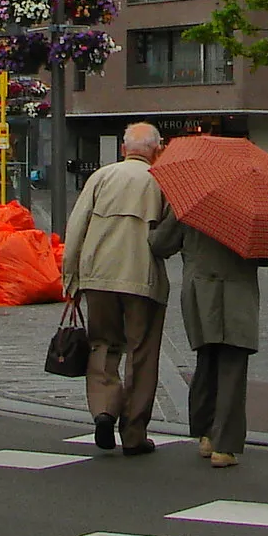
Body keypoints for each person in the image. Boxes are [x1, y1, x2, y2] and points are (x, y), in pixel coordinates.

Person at [59, 123, 170, 456]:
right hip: (142, 278)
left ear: (124, 150)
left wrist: (71, 278)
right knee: (142, 353)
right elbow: (166, 238)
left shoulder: (101, 177)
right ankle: (134, 433)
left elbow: (76, 227)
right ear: (157, 150)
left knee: (103, 344)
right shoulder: (162, 182)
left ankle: (104, 409)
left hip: (99, 277)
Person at [151, 204, 268, 468]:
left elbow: (161, 244)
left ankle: (206, 434)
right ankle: (224, 446)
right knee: (232, 365)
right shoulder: (250, 204)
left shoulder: (192, 200)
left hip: (199, 289)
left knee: (206, 359)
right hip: (237, 291)